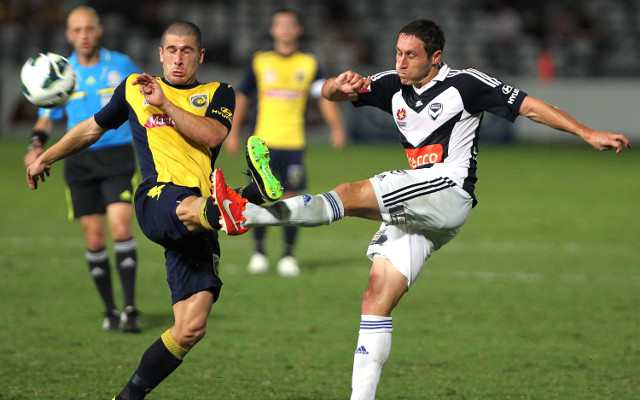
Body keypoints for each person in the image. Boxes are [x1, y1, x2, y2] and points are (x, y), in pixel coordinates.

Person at [213, 19, 631, 400]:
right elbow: (328, 92)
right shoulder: (392, 85)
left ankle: (247, 214)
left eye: (410, 55)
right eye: (397, 52)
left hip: (448, 191)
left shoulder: (466, 84)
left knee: (351, 192)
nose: (401, 61)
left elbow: (529, 105)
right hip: (422, 210)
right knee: (376, 295)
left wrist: (586, 132)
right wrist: (339, 86)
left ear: (435, 57)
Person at [26, 20, 281, 400]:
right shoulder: (132, 88)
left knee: (190, 327)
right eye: (172, 50)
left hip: (201, 212)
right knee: (196, 206)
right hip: (159, 199)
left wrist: (164, 102)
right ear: (160, 54)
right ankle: (245, 198)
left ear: (200, 56)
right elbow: (92, 128)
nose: (178, 58)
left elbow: (212, 135)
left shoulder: (219, 92)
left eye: (187, 51)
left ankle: (127, 397)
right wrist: (46, 156)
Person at [23, 6, 142, 332]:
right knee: (93, 238)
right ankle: (109, 310)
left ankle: (130, 309)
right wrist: (36, 144)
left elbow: (145, 99)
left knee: (120, 227)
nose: (84, 35)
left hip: (117, 156)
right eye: (77, 30)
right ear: (68, 34)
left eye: (89, 28)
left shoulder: (121, 65)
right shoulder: (61, 71)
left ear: (99, 30)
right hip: (78, 159)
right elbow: (46, 115)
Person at [225, 8, 347, 277]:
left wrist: (336, 127)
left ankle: (288, 256)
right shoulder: (260, 61)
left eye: (290, 24)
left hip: (294, 142)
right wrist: (233, 133)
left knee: (292, 198)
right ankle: (258, 253)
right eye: (279, 24)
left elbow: (322, 97)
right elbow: (243, 97)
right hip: (262, 144)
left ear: (298, 30)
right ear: (273, 30)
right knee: (259, 197)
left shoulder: (309, 63)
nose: (285, 29)